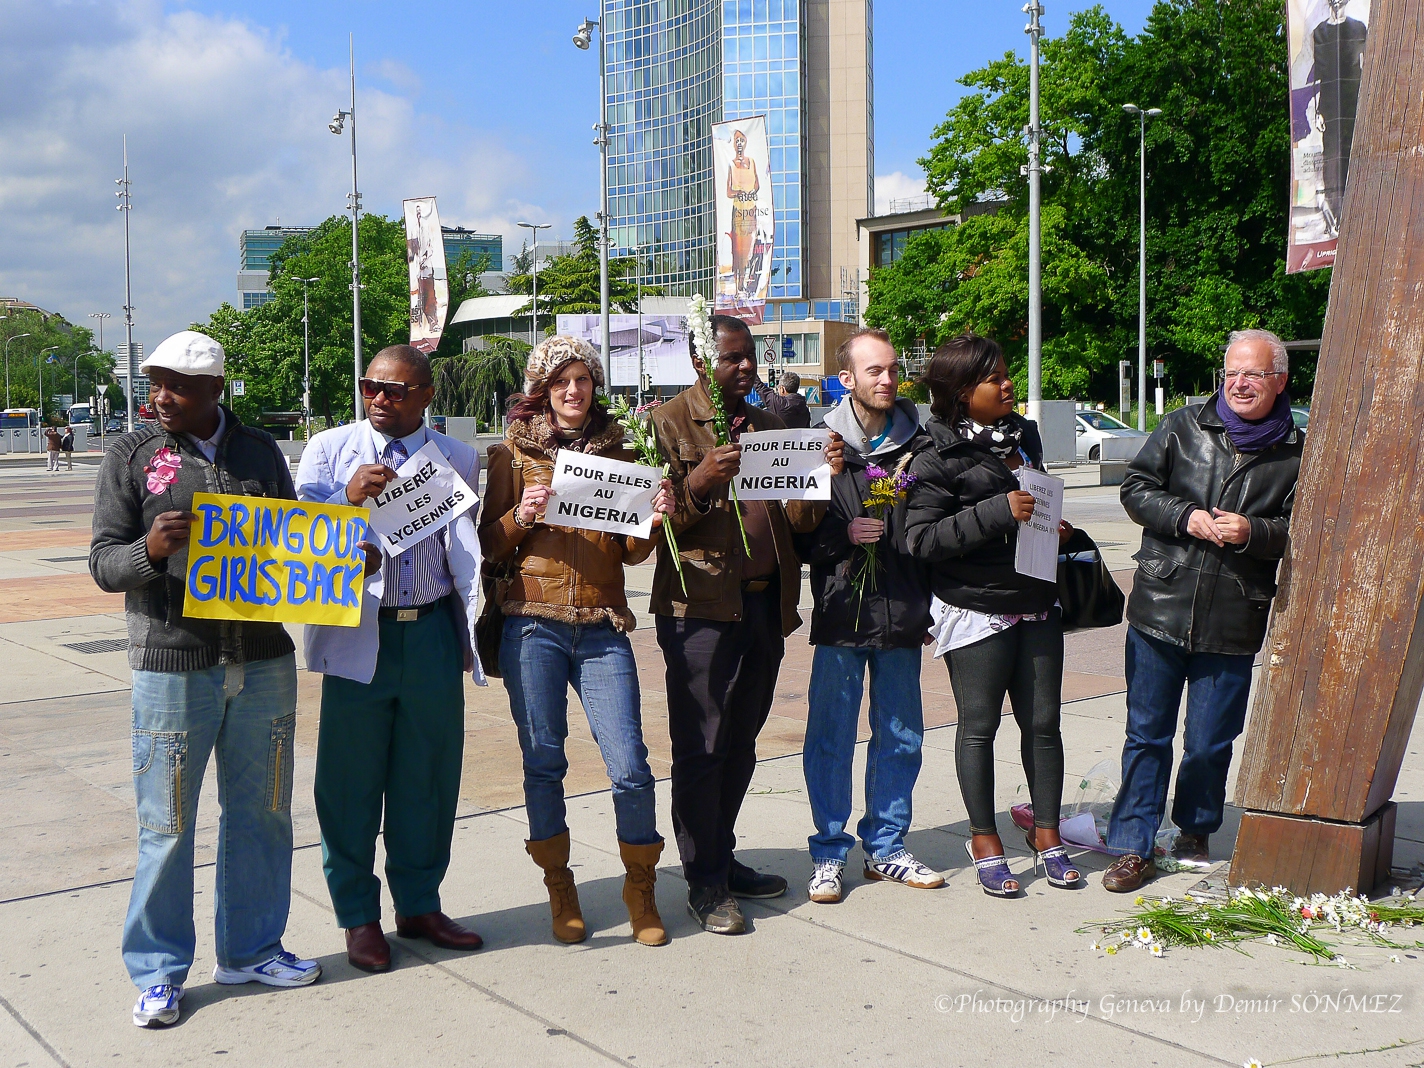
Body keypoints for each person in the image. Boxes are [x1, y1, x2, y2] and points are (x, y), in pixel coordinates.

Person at [89, 330, 320, 1029]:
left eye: (177, 386)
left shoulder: (259, 452)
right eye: (155, 382)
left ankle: (252, 949)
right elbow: (102, 562)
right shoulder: (131, 455)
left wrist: (338, 566)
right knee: (167, 825)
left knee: (265, 815)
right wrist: (149, 552)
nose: (160, 395)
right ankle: (159, 973)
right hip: (171, 665)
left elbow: (290, 546)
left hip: (263, 664)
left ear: (215, 390)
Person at [480, 336, 676, 947]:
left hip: (601, 623)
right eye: (561, 380)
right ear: (542, 389)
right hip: (531, 622)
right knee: (544, 762)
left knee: (631, 765)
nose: (574, 390)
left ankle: (639, 888)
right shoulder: (510, 455)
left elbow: (633, 552)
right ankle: (560, 887)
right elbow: (485, 546)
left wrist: (653, 519)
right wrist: (521, 517)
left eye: (583, 379)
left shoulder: (619, 454)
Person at [651, 311, 844, 934]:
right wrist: (699, 484)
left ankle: (722, 858)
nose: (746, 368)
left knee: (740, 742)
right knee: (702, 746)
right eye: (733, 357)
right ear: (700, 360)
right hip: (701, 609)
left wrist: (820, 482)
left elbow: (800, 523)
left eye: (750, 357)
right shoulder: (666, 422)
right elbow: (650, 525)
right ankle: (703, 882)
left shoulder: (769, 424)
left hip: (763, 605)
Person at [297, 344, 486, 972]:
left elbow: (466, 550)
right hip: (362, 637)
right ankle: (357, 916)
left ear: (427, 395)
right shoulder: (329, 450)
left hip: (430, 632)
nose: (379, 400)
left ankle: (420, 903)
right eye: (370, 387)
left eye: (396, 391)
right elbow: (295, 543)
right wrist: (346, 502)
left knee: (429, 777)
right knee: (349, 783)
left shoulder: (458, 458)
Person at [1102, 329, 1303, 892]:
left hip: (1234, 617)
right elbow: (1136, 489)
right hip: (1159, 606)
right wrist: (1184, 516)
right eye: (1231, 373)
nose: (1239, 384)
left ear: (1279, 382)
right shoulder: (1181, 426)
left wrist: (1254, 532)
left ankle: (1195, 829)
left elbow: (1305, 531)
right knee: (1146, 735)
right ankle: (1132, 846)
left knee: (1210, 742)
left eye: (1254, 375)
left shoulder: (1297, 451)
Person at [903, 333, 1079, 898]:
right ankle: (984, 839)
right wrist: (996, 512)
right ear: (959, 393)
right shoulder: (935, 455)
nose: (1008, 384)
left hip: (1036, 600)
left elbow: (1038, 497)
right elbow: (921, 539)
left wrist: (1055, 527)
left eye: (1006, 374)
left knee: (1043, 724)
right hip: (975, 608)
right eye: (994, 377)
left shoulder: (1024, 436)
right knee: (978, 729)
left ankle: (1046, 834)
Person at [795, 328, 939, 904]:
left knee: (901, 734)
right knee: (830, 735)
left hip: (903, 609)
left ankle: (886, 847)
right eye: (874, 371)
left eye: (892, 369)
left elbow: (938, 521)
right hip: (840, 613)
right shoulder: (818, 444)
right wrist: (841, 536)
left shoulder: (922, 444)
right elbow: (795, 532)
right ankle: (829, 852)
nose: (887, 379)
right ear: (846, 379)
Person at [727, 128, 761, 297]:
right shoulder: (731, 164)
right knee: (738, 251)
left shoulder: (752, 162)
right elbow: (728, 191)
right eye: (736, 140)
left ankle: (748, 284)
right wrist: (739, 193)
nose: (739, 143)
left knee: (751, 249)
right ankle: (738, 285)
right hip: (738, 212)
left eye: (741, 140)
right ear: (733, 144)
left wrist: (751, 192)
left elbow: (757, 184)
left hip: (751, 211)